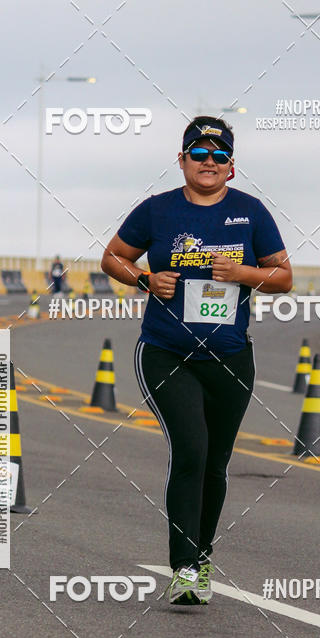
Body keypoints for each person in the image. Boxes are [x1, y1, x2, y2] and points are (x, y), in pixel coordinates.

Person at [101, 116, 292, 605]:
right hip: (166, 352)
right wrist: (144, 280)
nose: (209, 162)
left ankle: (202, 557)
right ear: (182, 160)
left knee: (215, 464)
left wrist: (243, 273)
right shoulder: (156, 210)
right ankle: (184, 567)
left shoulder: (250, 212)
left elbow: (283, 277)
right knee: (191, 450)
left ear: (231, 166)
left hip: (230, 358)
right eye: (199, 154)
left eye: (219, 155)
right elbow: (113, 257)